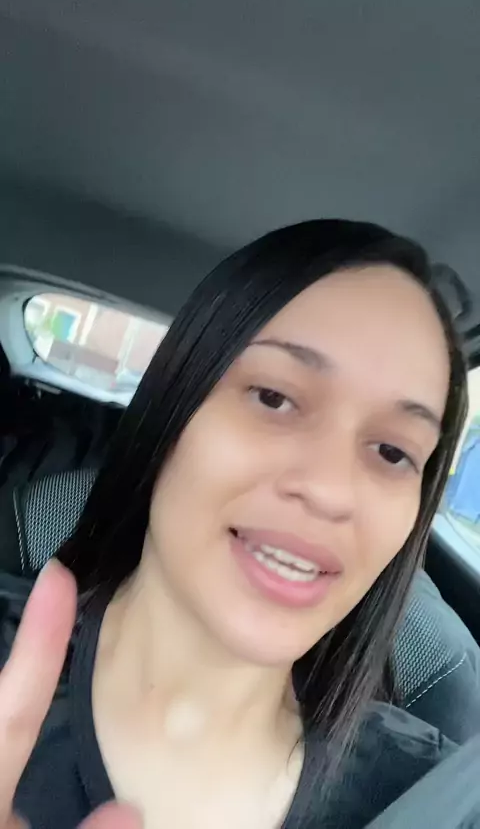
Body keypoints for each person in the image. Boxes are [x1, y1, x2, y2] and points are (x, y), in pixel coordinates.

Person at [0, 220, 470, 829]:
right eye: (274, 397)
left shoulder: (439, 803)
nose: (330, 491)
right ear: (172, 409)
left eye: (392, 451)